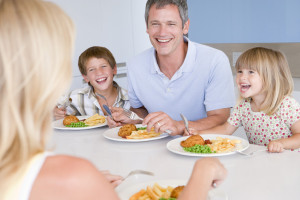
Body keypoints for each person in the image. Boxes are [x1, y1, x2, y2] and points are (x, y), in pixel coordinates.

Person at [108, 0, 235, 136]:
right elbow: (140, 110)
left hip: (201, 148)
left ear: (185, 26)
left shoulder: (215, 60)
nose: (162, 32)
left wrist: (179, 125)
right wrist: (132, 118)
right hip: (153, 147)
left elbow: (221, 118)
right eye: (155, 24)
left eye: (171, 24)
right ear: (147, 27)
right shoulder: (135, 65)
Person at [186, 47, 300, 153]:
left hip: (289, 164)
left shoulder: (286, 105)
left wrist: (281, 143)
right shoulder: (243, 107)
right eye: (240, 71)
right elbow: (225, 130)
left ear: (271, 77)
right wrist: (199, 134)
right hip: (261, 161)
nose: (242, 77)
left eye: (251, 72)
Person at [54, 46, 130, 120]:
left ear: (114, 69)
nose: (99, 72)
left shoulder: (130, 98)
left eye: (103, 66)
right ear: (86, 77)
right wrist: (54, 112)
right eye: (92, 69)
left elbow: (139, 119)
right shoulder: (77, 97)